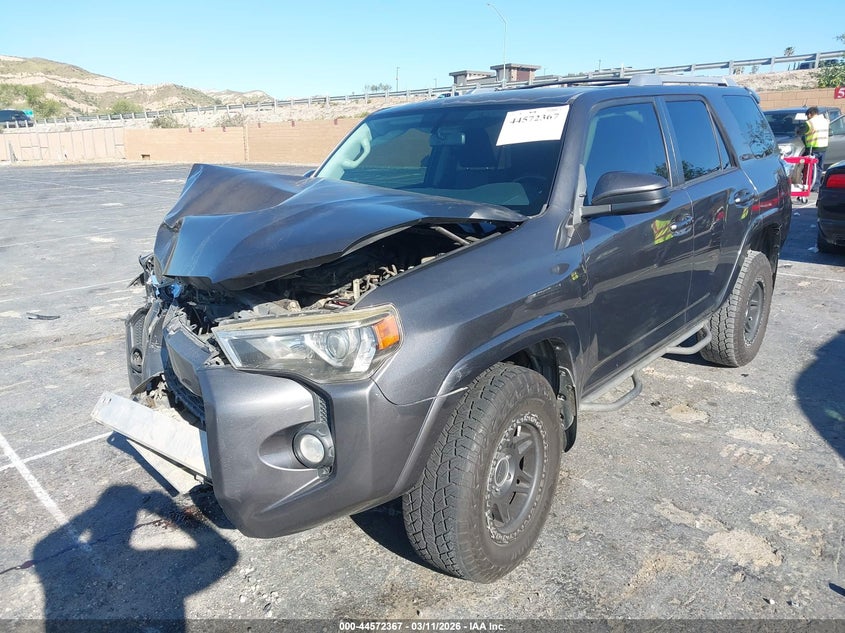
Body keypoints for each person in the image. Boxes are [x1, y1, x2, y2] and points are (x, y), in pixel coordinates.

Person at [798, 106, 830, 188]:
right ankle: (816, 185)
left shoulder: (810, 123)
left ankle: (810, 185)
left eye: (807, 116)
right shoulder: (825, 121)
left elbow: (799, 132)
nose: (807, 118)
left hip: (813, 148)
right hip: (823, 147)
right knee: (819, 168)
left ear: (809, 114)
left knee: (811, 168)